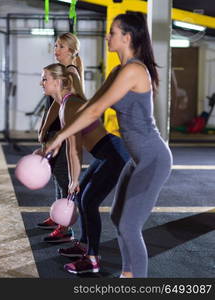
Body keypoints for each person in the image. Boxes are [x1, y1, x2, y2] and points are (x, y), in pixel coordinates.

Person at [45, 12, 173, 278]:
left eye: (112, 33)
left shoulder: (134, 70)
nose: (107, 36)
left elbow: (94, 113)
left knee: (128, 225)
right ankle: (128, 274)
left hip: (152, 158)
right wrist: (62, 131)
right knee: (118, 218)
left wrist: (58, 137)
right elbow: (90, 106)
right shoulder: (118, 71)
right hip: (137, 159)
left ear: (127, 37)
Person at [40, 63, 129, 274]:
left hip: (114, 155)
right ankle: (83, 245)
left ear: (58, 82)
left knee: (88, 201)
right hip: (106, 153)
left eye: (45, 78)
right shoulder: (64, 105)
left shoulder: (70, 106)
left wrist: (73, 179)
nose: (41, 82)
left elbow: (74, 149)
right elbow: (67, 146)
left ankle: (93, 260)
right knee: (82, 198)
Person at [36, 33, 83, 243]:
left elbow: (57, 105)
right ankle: (58, 217)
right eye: (56, 45)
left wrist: (45, 127)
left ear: (72, 51)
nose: (56, 49)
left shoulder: (70, 73)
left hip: (62, 132)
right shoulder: (64, 71)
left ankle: (65, 227)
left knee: (64, 177)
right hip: (57, 131)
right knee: (57, 174)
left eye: (61, 46)